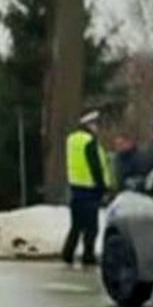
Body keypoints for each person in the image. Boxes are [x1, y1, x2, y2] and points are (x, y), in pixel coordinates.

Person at [61, 110, 112, 267]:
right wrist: (102, 187)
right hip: (90, 189)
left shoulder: (71, 140)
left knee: (76, 225)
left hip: (75, 188)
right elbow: (95, 166)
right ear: (89, 125)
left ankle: (68, 253)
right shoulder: (89, 141)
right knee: (91, 227)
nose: (97, 128)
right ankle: (88, 255)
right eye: (95, 124)